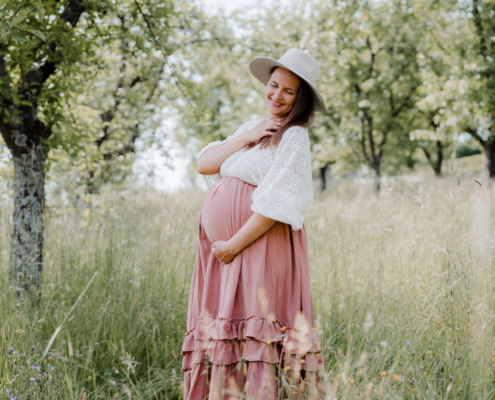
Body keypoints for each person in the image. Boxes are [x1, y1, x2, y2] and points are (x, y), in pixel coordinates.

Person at [181, 48, 326, 400]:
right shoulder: (252, 127)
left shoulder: (294, 137)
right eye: (274, 85)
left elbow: (279, 203)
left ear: (300, 98)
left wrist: (233, 245)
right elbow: (205, 162)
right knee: (226, 328)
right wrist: (249, 135)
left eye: (288, 91)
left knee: (256, 327)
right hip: (226, 254)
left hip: (255, 244)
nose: (277, 96)